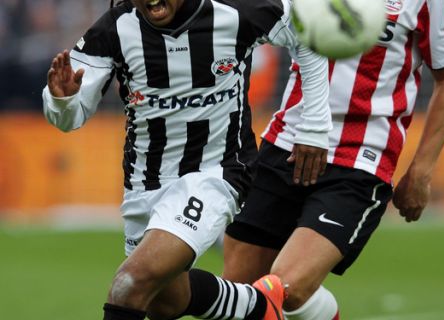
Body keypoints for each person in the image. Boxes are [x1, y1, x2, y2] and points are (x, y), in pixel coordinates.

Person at [42, 0, 331, 319]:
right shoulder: (113, 29)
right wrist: (62, 100)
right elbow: (68, 119)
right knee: (165, 302)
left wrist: (315, 126)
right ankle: (260, 306)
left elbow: (310, 31)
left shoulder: (236, 11)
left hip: (214, 174)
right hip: (143, 187)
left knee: (129, 284)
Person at [223, 0, 444, 319]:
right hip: (287, 141)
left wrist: (421, 170)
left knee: (287, 289)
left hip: (361, 159)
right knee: (238, 297)